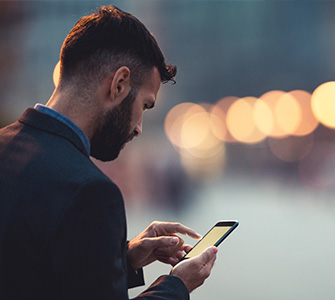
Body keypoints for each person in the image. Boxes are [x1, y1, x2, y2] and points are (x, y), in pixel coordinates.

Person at [0, 5, 217, 300]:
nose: (139, 127)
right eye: (144, 106)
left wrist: (122, 259)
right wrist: (177, 285)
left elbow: (30, 273)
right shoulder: (90, 192)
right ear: (119, 84)